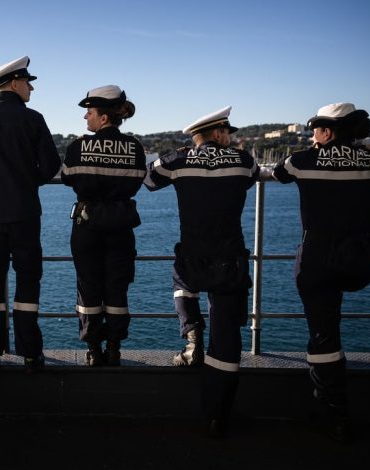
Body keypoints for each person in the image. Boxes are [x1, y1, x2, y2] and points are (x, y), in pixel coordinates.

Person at [272, 103, 370, 442]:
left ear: (328, 130)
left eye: (316, 128)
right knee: (331, 321)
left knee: (324, 334)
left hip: (320, 258)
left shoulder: (304, 160)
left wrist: (314, 150)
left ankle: (334, 413)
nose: (312, 134)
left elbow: (278, 172)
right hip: (364, 257)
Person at [145, 106, 259, 437]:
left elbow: (150, 179)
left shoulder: (178, 161)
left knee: (181, 280)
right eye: (228, 133)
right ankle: (217, 415)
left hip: (193, 258)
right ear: (218, 134)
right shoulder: (242, 160)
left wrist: (181, 154)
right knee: (226, 339)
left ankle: (192, 336)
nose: (231, 138)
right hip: (229, 260)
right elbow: (252, 176)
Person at [0, 56, 61, 374]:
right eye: (28, 82)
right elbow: (50, 168)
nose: (31, 88)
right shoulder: (33, 119)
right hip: (25, 214)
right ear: (15, 83)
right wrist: (26, 178)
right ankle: (31, 353)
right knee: (28, 283)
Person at [61, 85, 146, 366]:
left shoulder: (78, 147)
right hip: (121, 227)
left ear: (104, 118)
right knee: (117, 288)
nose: (86, 118)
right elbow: (137, 180)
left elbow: (68, 178)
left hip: (87, 227)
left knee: (88, 288)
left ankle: (93, 349)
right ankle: (114, 347)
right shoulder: (135, 148)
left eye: (89, 112)